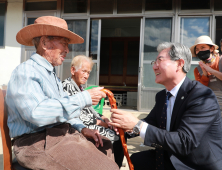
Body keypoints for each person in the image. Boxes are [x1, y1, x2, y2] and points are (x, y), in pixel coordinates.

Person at [6, 16, 119, 170]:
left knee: (105, 145)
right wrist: (84, 97)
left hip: (58, 135)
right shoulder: (26, 71)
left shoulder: (52, 76)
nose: (67, 50)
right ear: (45, 43)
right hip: (35, 142)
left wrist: (82, 128)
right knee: (107, 168)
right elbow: (37, 113)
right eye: (64, 44)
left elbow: (64, 113)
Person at [109, 42, 222, 170]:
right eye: (154, 62)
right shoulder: (162, 96)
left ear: (179, 64)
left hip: (195, 163)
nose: (154, 67)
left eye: (160, 61)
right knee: (136, 159)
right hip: (170, 155)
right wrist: (121, 125)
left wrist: (137, 125)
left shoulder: (201, 96)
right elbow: (151, 122)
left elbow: (185, 142)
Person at [62, 55, 124, 168]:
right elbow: (79, 116)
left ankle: (114, 164)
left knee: (120, 132)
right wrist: (102, 123)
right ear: (72, 70)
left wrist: (103, 117)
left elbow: (90, 110)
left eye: (88, 72)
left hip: (91, 124)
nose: (86, 76)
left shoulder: (80, 87)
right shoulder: (67, 87)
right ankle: (114, 165)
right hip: (79, 127)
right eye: (84, 71)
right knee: (117, 136)